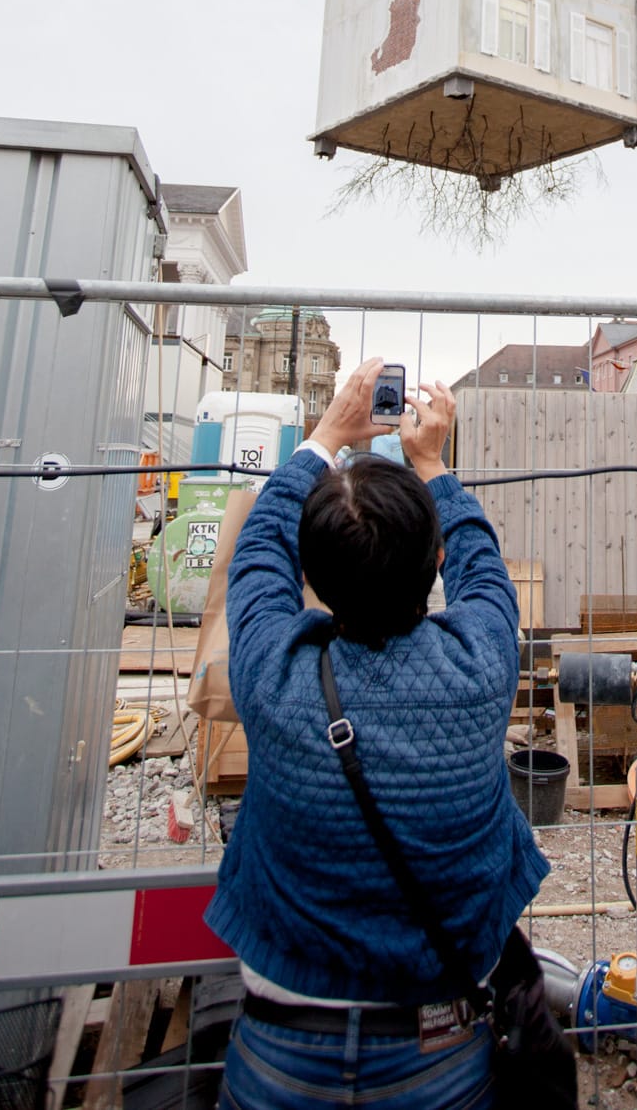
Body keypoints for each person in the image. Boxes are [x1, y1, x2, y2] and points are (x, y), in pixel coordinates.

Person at [208, 359, 548, 1110]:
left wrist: (327, 434)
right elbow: (484, 572)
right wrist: (430, 462)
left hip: (280, 1046)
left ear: (315, 578)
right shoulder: (480, 664)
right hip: (439, 1045)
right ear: (433, 565)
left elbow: (259, 552)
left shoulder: (271, 672)